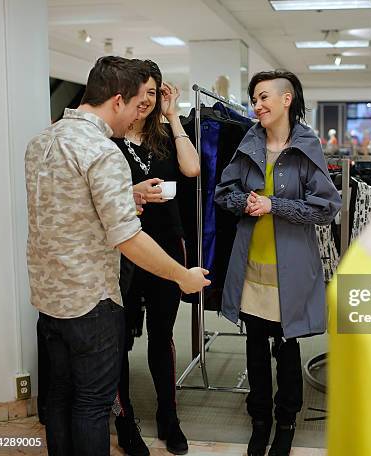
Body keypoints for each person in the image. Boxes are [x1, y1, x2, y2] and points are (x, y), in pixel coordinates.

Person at [25, 56, 210, 456]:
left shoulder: (43, 140)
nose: (134, 118)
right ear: (118, 100)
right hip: (92, 300)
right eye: (134, 106)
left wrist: (128, 194)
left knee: (58, 400)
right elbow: (128, 237)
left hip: (49, 299)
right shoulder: (102, 150)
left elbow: (68, 206)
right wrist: (182, 275)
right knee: (92, 406)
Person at [215, 70, 341, 456]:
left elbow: (326, 208)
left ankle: (286, 422)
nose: (257, 105)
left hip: (291, 268)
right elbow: (223, 193)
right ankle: (260, 420)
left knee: (287, 349)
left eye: (264, 97)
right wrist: (247, 202)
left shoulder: (306, 146)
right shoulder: (248, 141)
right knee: (254, 347)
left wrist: (275, 205)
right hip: (251, 265)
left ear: (287, 100)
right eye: (254, 98)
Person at [111, 60, 199, 456]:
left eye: (153, 92)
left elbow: (192, 168)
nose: (146, 100)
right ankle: (124, 420)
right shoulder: (109, 140)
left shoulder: (165, 135)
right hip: (122, 249)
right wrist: (132, 193)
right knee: (119, 340)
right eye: (141, 92)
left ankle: (169, 416)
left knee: (162, 337)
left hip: (166, 244)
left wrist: (174, 116)